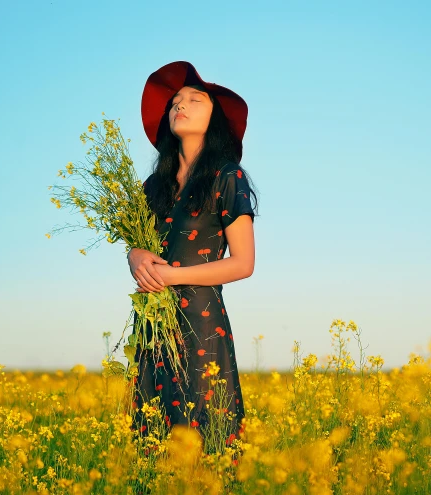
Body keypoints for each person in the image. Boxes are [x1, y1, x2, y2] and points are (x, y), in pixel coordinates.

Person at [126, 61, 257, 458]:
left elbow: (243, 263)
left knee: (206, 440)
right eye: (175, 103)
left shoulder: (227, 177)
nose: (180, 105)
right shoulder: (152, 186)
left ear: (214, 118)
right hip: (152, 325)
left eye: (194, 100)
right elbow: (141, 249)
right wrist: (133, 256)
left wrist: (169, 277)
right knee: (152, 439)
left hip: (201, 323)